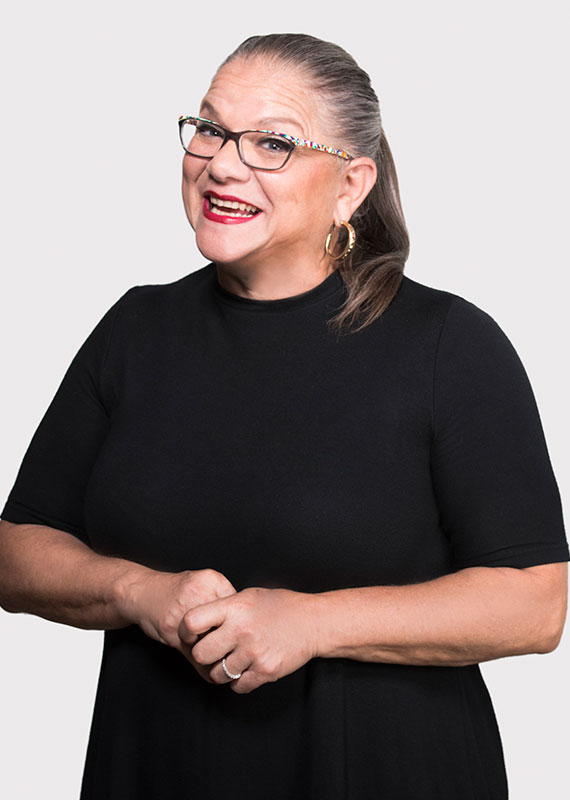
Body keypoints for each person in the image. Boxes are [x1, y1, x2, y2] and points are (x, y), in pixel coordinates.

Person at [0, 31, 567, 800]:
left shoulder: (448, 345)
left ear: (350, 184)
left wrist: (311, 624)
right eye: (210, 129)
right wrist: (139, 593)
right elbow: (17, 551)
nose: (222, 164)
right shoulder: (135, 330)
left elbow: (535, 604)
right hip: (155, 768)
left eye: (272, 143)